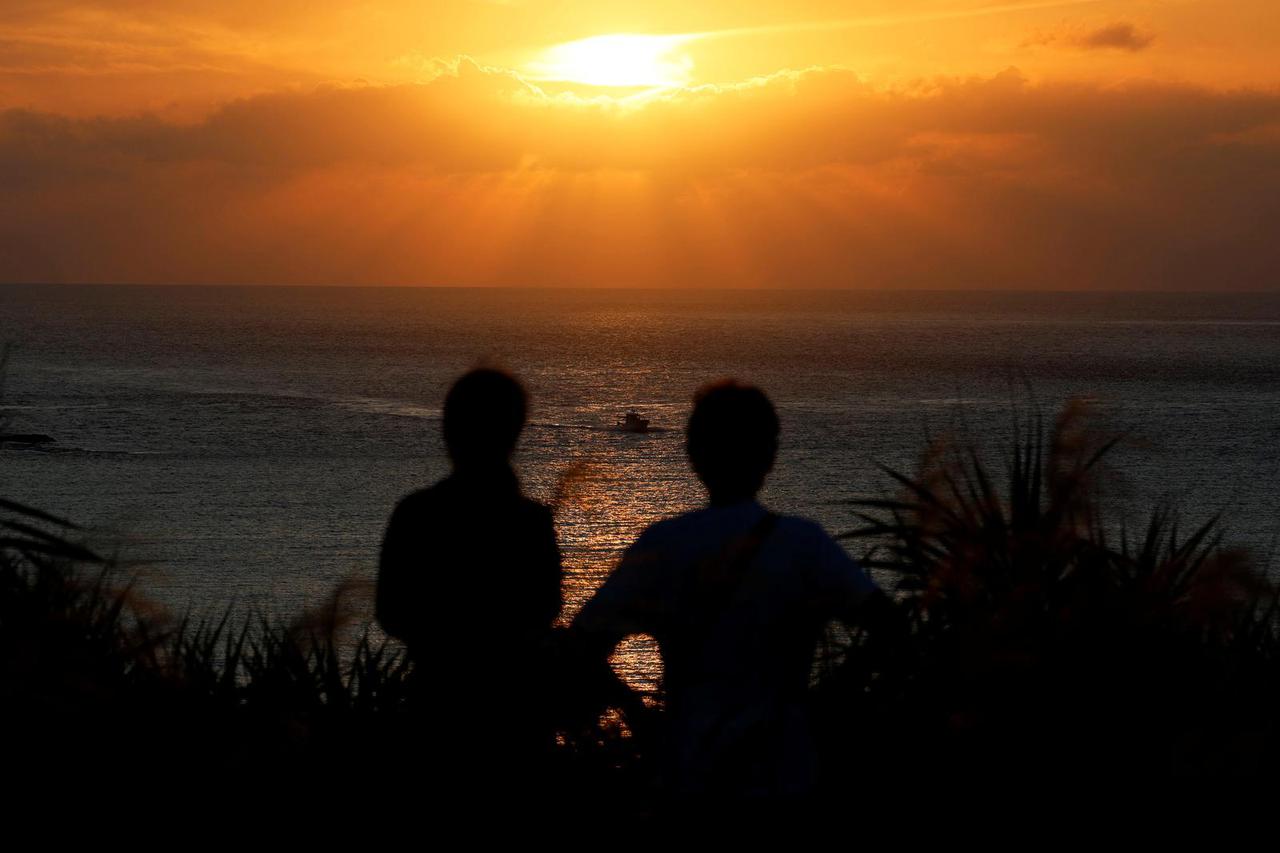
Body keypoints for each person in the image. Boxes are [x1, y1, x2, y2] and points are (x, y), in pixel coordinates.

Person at [572, 380, 893, 801]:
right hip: (787, 779)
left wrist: (638, 715)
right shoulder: (805, 544)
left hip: (690, 780)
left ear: (693, 454)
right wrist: (831, 700)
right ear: (770, 456)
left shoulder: (663, 544)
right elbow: (892, 626)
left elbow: (582, 646)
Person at [377, 367, 562, 780]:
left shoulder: (417, 513)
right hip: (514, 717)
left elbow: (390, 613)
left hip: (435, 707)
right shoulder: (529, 521)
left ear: (448, 431)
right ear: (515, 433)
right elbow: (547, 608)